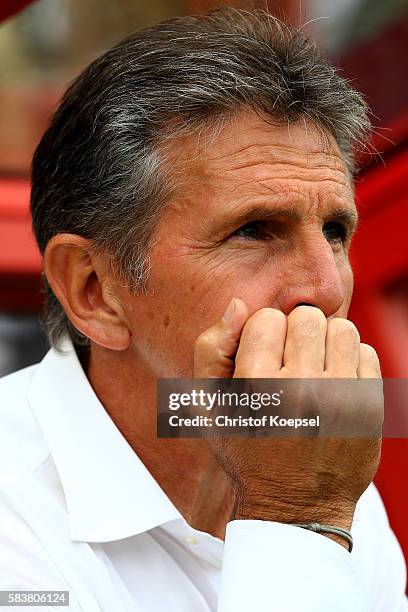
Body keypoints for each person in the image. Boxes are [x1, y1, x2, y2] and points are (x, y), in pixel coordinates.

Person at [0, 7, 406, 611]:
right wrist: (295, 520)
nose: (325, 289)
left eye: (336, 230)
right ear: (93, 290)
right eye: (253, 231)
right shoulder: (15, 521)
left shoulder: (312, 457)